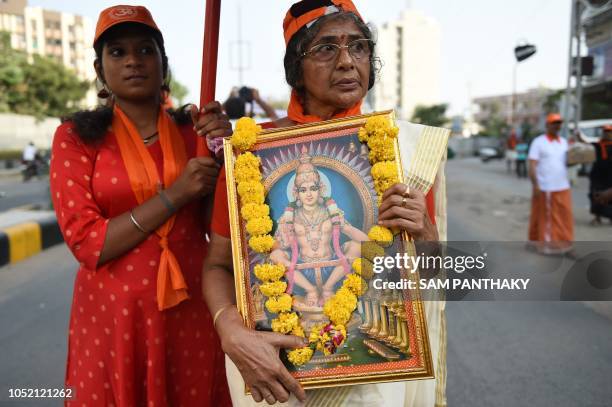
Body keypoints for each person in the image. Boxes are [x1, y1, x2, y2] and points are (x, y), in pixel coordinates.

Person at [195, 1, 444, 405]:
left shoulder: (403, 151)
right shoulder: (250, 153)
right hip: (276, 369)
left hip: (375, 382)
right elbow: (219, 264)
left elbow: (435, 277)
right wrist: (231, 332)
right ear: (296, 67)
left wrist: (428, 238)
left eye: (359, 47)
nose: (347, 62)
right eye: (327, 48)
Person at [49, 5, 233, 406]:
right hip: (113, 319)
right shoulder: (76, 138)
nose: (133, 60)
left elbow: (218, 228)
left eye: (145, 50)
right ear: (100, 70)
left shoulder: (193, 132)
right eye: (117, 52)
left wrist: (226, 156)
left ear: (163, 64)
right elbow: (87, 244)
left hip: (191, 313)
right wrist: (175, 194)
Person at [270, 147, 368, 306]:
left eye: (313, 188)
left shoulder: (333, 213)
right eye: (303, 190)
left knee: (358, 247)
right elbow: (274, 250)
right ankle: (311, 290)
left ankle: (328, 288)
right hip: (302, 271)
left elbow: (367, 242)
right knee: (276, 257)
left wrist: (346, 228)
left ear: (320, 190)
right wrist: (284, 239)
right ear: (297, 194)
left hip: (333, 267)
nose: (309, 194)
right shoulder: (288, 217)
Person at [527, 113, 574, 255]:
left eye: (559, 123)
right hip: (546, 187)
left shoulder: (564, 142)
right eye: (554, 123)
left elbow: (567, 162)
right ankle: (546, 245)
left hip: (563, 186)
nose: (557, 125)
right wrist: (535, 185)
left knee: (564, 216)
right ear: (547, 125)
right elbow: (532, 164)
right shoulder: (539, 142)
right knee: (547, 218)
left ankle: (562, 242)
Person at [587, 124, 612, 225]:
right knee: (595, 195)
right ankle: (597, 217)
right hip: (597, 176)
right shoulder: (596, 145)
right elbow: (585, 145)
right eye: (605, 132)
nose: (607, 133)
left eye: (609, 132)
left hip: (610, 176)